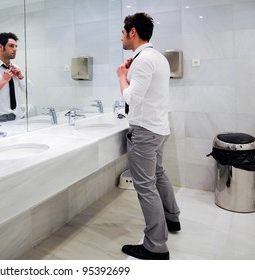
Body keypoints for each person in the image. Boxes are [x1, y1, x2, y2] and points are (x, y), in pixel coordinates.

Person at [116, 13, 181, 260]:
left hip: (145, 131)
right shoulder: (157, 57)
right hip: (159, 127)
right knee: (158, 174)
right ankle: (172, 218)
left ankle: (155, 245)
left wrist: (122, 77)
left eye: (123, 32)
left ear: (133, 32)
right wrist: (131, 72)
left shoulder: (144, 60)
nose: (121, 37)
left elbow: (133, 97)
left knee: (145, 185)